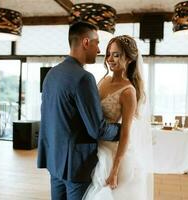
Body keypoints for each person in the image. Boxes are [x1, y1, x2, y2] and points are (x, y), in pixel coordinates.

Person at [37, 21, 121, 200]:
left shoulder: (51, 74)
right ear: (85, 42)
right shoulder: (83, 78)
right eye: (97, 43)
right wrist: (124, 129)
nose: (99, 51)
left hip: (54, 159)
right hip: (76, 164)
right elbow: (97, 129)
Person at [82, 35, 154, 200]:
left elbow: (126, 132)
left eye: (116, 55)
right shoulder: (103, 80)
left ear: (129, 58)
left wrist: (114, 170)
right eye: (108, 54)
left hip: (112, 152)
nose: (110, 59)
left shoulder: (129, 92)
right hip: (96, 144)